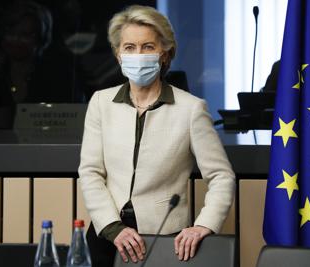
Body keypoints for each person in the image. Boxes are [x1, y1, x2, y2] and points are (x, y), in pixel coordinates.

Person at [78, 5, 235, 266]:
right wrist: (113, 227)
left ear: (165, 53)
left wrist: (204, 225)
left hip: (164, 236)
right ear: (118, 55)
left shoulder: (191, 109)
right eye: (129, 47)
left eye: (148, 46)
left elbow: (221, 176)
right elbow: (91, 172)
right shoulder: (101, 102)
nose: (138, 54)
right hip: (106, 234)